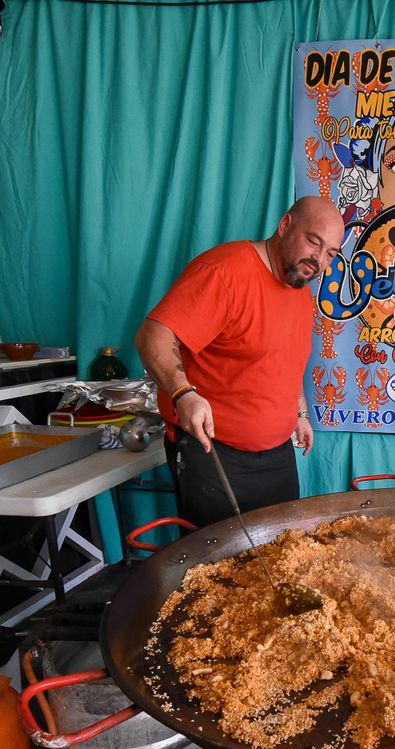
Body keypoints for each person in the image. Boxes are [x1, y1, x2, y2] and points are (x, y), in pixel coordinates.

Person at [135, 196, 345, 527]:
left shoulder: (298, 280)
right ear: (285, 226)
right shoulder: (223, 272)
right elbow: (152, 336)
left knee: (283, 557)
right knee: (221, 572)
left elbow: (284, 359)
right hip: (214, 454)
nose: (318, 259)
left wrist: (300, 412)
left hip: (276, 455)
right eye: (313, 242)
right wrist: (183, 394)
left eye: (331, 253)